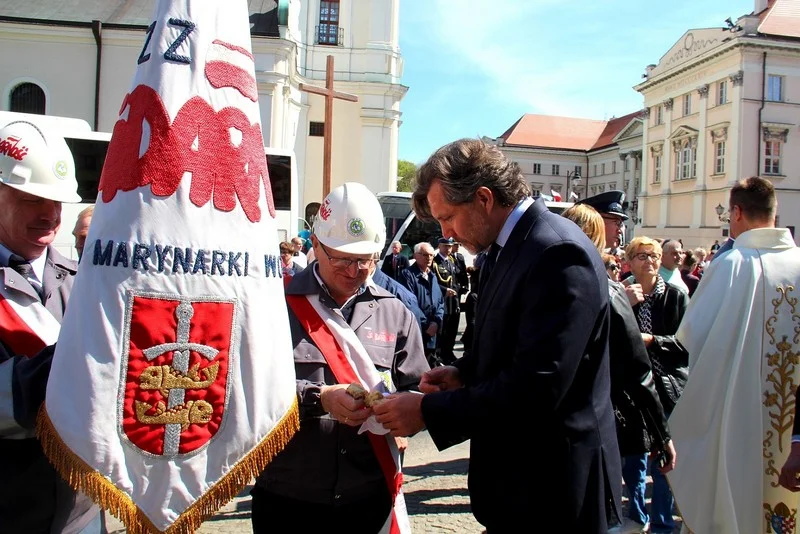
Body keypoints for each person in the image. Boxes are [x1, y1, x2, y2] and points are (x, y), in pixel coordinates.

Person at [374, 138, 621, 532]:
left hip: (552, 493)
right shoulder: (509, 247)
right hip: (520, 487)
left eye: (449, 217)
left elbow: (538, 386)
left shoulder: (556, 252)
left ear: (484, 199)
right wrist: (463, 372)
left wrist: (425, 411)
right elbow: (508, 342)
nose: (446, 233)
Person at [251, 182, 429, 533]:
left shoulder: (395, 313)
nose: (353, 271)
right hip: (288, 497)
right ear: (316, 245)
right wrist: (320, 398)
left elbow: (416, 385)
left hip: (367, 498)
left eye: (365, 261)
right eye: (342, 259)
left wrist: (409, 414)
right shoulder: (274, 305)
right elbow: (249, 388)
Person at [669, 176, 800, 534]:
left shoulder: (729, 265)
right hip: (791, 435)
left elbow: (691, 338)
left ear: (737, 212)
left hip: (736, 425)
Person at [0, 121, 102, 532]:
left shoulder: (83, 282)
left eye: (58, 202)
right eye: (32, 199)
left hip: (81, 513)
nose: (50, 214)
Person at [564, 204, 675, 534]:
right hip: (592, 431)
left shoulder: (537, 284)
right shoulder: (609, 290)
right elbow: (638, 370)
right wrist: (662, 433)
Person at [622, 237, 689, 534]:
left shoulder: (675, 296)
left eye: (654, 255)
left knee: (664, 462)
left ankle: (662, 522)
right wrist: (625, 303)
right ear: (629, 262)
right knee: (633, 460)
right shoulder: (621, 293)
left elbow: (686, 344)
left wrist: (652, 341)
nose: (649, 261)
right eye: (641, 255)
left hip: (666, 387)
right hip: (631, 389)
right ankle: (637, 517)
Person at [400, 242, 445, 368]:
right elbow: (409, 303)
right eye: (425, 255)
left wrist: (436, 322)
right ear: (415, 255)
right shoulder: (407, 275)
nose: (429, 258)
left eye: (431, 255)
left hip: (433, 332)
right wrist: (426, 325)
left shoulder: (433, 276)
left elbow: (440, 301)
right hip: (418, 330)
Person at [432, 237, 463, 365]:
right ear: (439, 246)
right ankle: (438, 356)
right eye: (446, 246)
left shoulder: (451, 261)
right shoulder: (435, 262)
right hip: (443, 301)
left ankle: (448, 353)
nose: (448, 249)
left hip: (453, 302)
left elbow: (456, 280)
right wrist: (445, 290)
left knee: (452, 329)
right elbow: (433, 283)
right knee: (442, 330)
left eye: (450, 246)